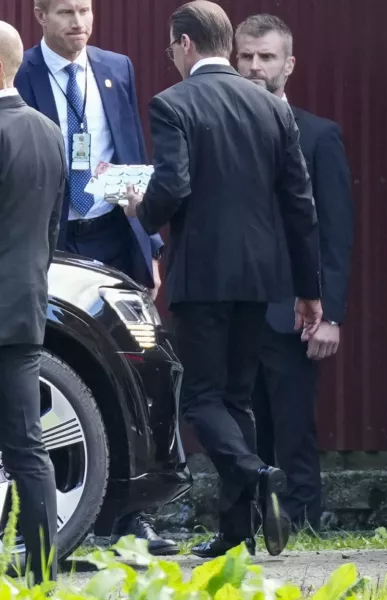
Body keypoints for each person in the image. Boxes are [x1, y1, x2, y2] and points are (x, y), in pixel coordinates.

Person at [123, 0, 324, 559]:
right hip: (261, 278)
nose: (171, 58)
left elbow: (174, 186)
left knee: (202, 401)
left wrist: (142, 207)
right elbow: (300, 203)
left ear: (186, 44)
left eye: (171, 48)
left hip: (202, 274)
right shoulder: (271, 108)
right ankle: (237, 534)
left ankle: (256, 473)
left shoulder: (172, 104)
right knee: (238, 401)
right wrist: (309, 291)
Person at [12, 0, 177, 556]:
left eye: (84, 10)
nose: (78, 23)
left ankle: (133, 519)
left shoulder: (116, 67)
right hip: (51, 236)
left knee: (128, 368)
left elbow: (126, 150)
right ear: (40, 17)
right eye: (65, 12)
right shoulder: (20, 71)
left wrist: (147, 242)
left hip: (109, 229)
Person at [235, 14, 354, 532]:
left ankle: (304, 521)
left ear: (289, 64)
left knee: (294, 426)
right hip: (236, 308)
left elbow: (336, 233)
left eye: (267, 56)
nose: (256, 66)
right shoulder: (219, 128)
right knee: (242, 426)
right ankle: (250, 522)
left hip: (295, 311)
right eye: (247, 56)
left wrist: (333, 314)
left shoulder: (319, 136)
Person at [0, 19, 63, 585]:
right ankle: (43, 570)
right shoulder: (48, 130)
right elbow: (53, 226)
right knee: (27, 445)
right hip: (24, 307)